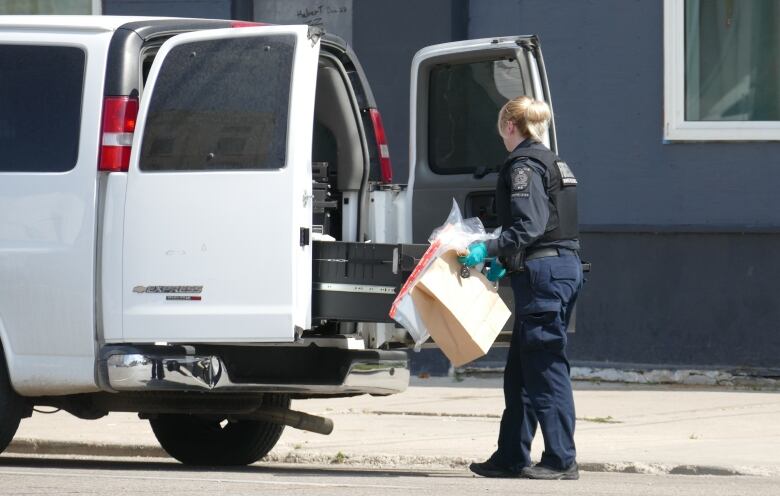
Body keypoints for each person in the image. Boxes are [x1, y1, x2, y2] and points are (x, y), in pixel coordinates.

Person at [459, 95, 583, 480]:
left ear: (509, 126)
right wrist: (506, 261)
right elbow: (547, 226)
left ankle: (562, 459)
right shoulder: (553, 160)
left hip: (545, 275)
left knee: (545, 369)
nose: (502, 137)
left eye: (501, 130)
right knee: (522, 374)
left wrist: (488, 247)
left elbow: (529, 226)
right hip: (552, 269)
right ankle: (511, 455)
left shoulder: (524, 166)